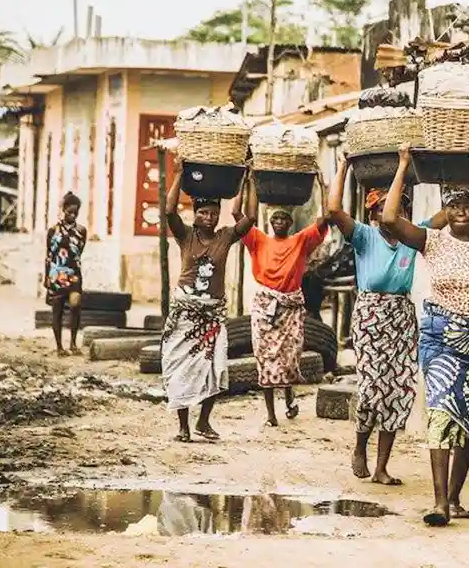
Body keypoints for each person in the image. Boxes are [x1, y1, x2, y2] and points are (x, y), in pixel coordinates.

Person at [381, 143, 469, 527]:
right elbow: (390, 218)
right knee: (442, 413)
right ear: (446, 208)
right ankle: (439, 502)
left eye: (468, 205)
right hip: (441, 338)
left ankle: (456, 498)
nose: (462, 211)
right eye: (455, 205)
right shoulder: (433, 240)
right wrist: (403, 167)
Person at [327, 156, 447, 485]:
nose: (392, 214)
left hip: (402, 316)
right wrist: (344, 166)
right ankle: (360, 446)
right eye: (383, 209)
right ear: (372, 214)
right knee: (371, 389)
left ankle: (381, 467)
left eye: (398, 208)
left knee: (400, 390)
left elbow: (445, 215)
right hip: (371, 315)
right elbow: (335, 210)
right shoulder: (365, 236)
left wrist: (442, 173)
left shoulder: (412, 236)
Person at [161, 163, 255, 443]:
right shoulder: (185, 235)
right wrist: (178, 173)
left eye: (214, 213)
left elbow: (250, 217)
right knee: (181, 368)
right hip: (185, 313)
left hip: (212, 315)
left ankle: (203, 422)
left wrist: (250, 181)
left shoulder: (225, 236)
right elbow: (168, 211)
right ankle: (183, 427)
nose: (210, 217)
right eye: (204, 212)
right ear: (195, 215)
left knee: (216, 367)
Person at [240, 173, 330, 426]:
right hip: (264, 306)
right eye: (275, 218)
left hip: (290, 308)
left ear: (290, 223)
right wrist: (247, 183)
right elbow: (240, 215)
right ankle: (270, 415)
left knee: (290, 359)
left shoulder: (300, 242)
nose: (279, 221)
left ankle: (289, 398)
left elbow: (324, 220)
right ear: (270, 222)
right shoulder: (258, 240)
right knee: (265, 357)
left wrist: (322, 187)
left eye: (284, 218)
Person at [45, 192, 87, 356]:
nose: (72, 215)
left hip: (74, 273)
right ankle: (59, 346)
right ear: (63, 210)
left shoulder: (81, 231)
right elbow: (48, 255)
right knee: (58, 310)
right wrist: (46, 277)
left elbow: (79, 252)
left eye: (75, 212)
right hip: (56, 274)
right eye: (69, 212)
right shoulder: (53, 230)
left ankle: (73, 343)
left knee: (76, 305)